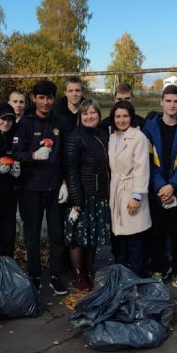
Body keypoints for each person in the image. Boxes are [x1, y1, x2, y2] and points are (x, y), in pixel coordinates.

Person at [13, 79, 69, 294]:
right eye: (41, 98)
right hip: (30, 188)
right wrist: (32, 155)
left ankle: (55, 275)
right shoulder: (25, 123)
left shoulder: (60, 122)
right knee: (32, 234)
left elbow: (66, 154)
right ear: (34, 99)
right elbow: (15, 153)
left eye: (49, 98)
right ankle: (34, 274)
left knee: (57, 234)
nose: (46, 102)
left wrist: (65, 182)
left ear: (54, 99)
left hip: (55, 187)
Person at [143, 85, 177, 294]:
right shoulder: (149, 127)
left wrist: (173, 186)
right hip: (157, 192)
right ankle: (158, 270)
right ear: (161, 102)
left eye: (176, 101)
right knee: (157, 233)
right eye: (169, 101)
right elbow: (147, 160)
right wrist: (161, 186)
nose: (172, 105)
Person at [64, 99, 111, 290]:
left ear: (99, 115)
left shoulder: (103, 134)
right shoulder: (75, 137)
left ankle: (89, 269)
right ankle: (78, 273)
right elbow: (71, 169)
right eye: (85, 113)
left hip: (99, 194)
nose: (89, 116)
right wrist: (76, 199)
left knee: (92, 236)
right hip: (82, 194)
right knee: (77, 237)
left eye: (93, 113)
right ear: (80, 116)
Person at [108, 101, 152, 276]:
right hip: (116, 190)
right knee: (119, 238)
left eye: (125, 116)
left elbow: (142, 168)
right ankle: (122, 276)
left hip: (132, 189)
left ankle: (135, 277)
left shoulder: (139, 137)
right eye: (118, 116)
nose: (121, 120)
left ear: (131, 117)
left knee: (135, 238)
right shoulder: (112, 137)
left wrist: (137, 196)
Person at [0, 102, 21, 258]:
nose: (5, 123)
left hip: (8, 196)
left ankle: (7, 268)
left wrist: (18, 172)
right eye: (2, 119)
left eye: (9, 120)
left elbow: (20, 158)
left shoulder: (15, 138)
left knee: (7, 236)